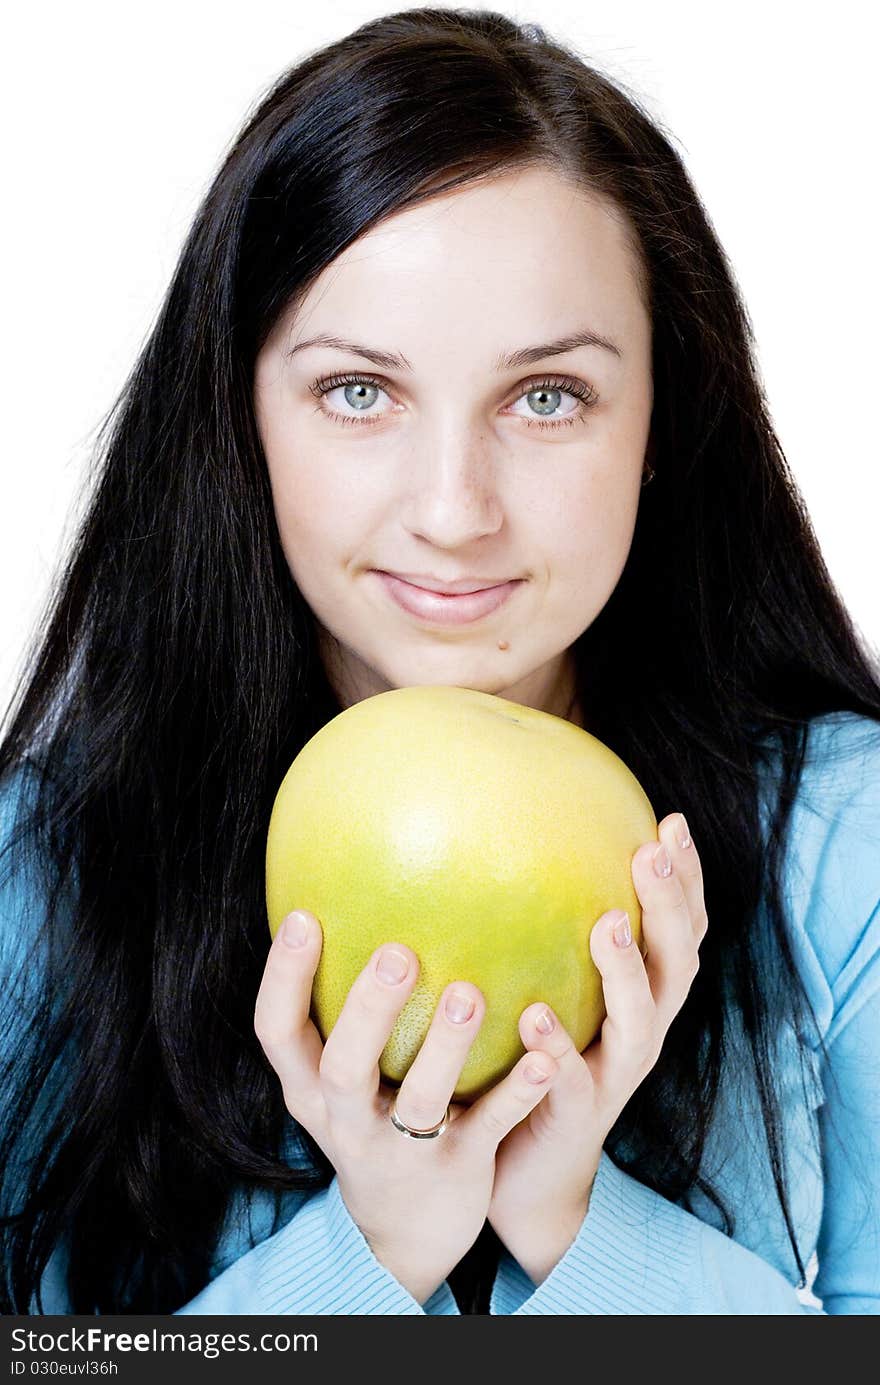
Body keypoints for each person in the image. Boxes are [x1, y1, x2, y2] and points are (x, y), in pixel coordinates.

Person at [1, 6, 879, 1317]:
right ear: (241, 416)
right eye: (360, 390)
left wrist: (579, 1223)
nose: (455, 509)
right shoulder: (47, 859)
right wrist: (367, 1256)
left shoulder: (842, 838)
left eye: (547, 396)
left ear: (661, 418)